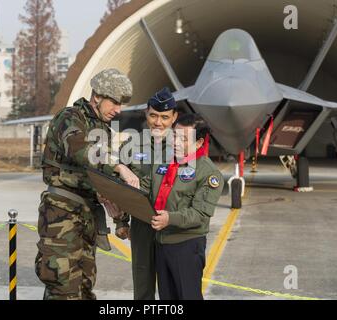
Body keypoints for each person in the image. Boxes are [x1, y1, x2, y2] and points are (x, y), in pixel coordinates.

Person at [35, 68, 140, 300]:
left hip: (87, 217)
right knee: (63, 287)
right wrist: (118, 166)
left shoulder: (103, 129)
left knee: (83, 286)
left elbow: (106, 181)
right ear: (97, 97)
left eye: (121, 104)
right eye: (114, 102)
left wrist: (121, 220)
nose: (118, 110)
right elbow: (80, 151)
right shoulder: (69, 118)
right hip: (61, 215)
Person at [151, 113, 224, 300]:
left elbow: (200, 214)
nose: (175, 142)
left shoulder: (208, 173)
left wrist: (170, 218)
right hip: (162, 244)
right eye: (174, 135)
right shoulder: (165, 161)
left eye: (183, 139)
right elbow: (146, 187)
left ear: (199, 143)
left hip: (186, 247)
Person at [117, 87, 178, 300]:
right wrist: (121, 222)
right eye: (153, 115)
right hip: (142, 225)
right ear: (146, 113)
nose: (158, 122)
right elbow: (119, 187)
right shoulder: (131, 146)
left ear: (174, 117)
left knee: (172, 287)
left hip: (173, 225)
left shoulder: (183, 147)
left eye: (164, 117)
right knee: (142, 285)